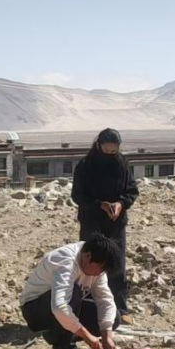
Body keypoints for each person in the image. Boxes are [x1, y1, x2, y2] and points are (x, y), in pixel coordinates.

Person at [71, 128, 139, 327]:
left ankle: (120, 309)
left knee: (116, 265)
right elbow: (77, 195)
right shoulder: (85, 166)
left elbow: (132, 190)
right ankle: (87, 307)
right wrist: (99, 204)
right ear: (98, 146)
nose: (109, 155)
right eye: (106, 150)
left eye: (113, 151)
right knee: (91, 264)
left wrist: (120, 204)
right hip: (92, 222)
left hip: (115, 223)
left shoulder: (122, 164)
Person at [18, 234, 122, 349]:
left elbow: (104, 300)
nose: (99, 273)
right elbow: (59, 307)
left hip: (66, 305)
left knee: (113, 318)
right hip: (35, 310)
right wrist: (87, 336)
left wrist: (106, 335)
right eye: (100, 268)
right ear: (88, 256)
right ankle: (64, 347)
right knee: (74, 292)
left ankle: (57, 333)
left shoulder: (97, 267)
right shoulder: (66, 261)